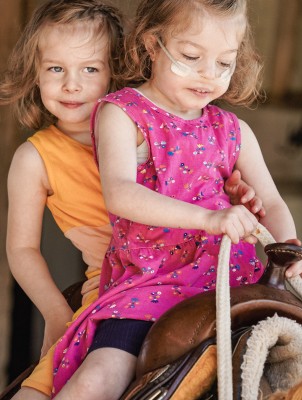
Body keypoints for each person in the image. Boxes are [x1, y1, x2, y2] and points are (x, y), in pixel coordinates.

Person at [50, 1, 302, 399]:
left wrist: (289, 249)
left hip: (233, 283)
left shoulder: (233, 129)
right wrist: (209, 220)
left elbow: (273, 202)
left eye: (224, 63)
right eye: (192, 57)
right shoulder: (124, 114)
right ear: (152, 44)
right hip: (151, 284)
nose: (208, 75)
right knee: (98, 380)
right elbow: (121, 193)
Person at [0, 2, 265, 399]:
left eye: (90, 69)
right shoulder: (36, 158)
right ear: (34, 72)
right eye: (56, 69)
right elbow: (22, 248)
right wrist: (57, 315)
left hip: (198, 266)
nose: (72, 84)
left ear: (116, 70)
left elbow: (199, 179)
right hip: (119, 285)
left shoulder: (142, 127)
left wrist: (235, 195)